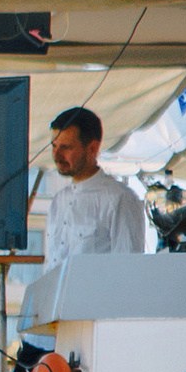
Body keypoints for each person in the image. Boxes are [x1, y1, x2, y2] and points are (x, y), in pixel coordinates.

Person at [43, 107, 147, 264]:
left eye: (66, 147)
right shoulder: (58, 200)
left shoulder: (120, 199)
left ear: (92, 148)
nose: (57, 156)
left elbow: (128, 267)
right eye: (54, 146)